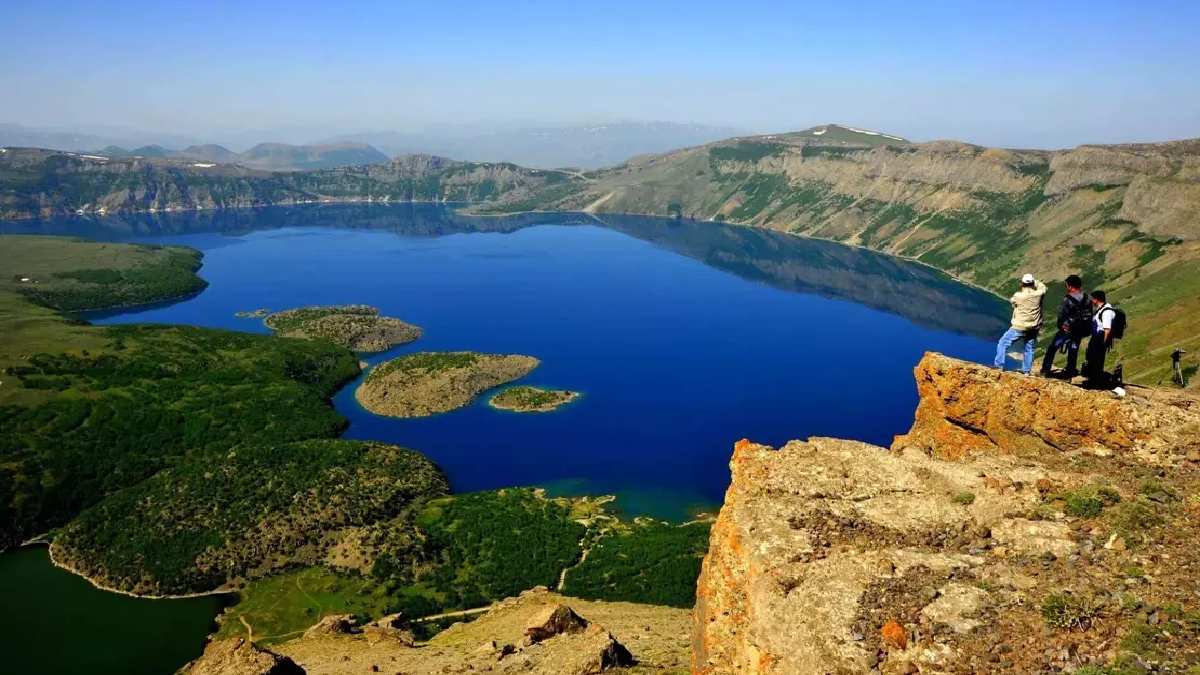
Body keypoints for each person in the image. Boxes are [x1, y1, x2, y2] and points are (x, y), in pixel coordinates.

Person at [994, 273, 1047, 374]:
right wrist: (1035, 282)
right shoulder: (1039, 294)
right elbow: (1043, 287)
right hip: (1034, 327)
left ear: (1022, 284)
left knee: (1003, 343)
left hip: (1020, 327)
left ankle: (998, 366)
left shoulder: (1018, 296)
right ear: (1032, 283)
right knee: (1029, 348)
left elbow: (1013, 302)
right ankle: (1026, 371)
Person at [1039, 274, 1091, 378]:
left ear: (1070, 286)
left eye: (1067, 285)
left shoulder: (1067, 299)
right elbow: (1089, 314)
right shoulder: (1087, 298)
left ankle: (1045, 369)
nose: (1066, 288)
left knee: (1053, 348)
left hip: (1067, 329)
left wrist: (1061, 326)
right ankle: (1070, 371)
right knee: (1073, 349)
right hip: (1079, 330)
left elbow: (1062, 315)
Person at [1084, 290, 1115, 382]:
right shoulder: (1101, 309)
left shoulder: (1106, 312)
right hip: (1097, 337)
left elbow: (1107, 329)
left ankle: (1097, 379)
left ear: (1096, 299)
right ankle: (1094, 377)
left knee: (1097, 359)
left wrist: (1104, 343)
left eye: (1092, 299)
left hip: (1100, 337)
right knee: (1092, 357)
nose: (1091, 301)